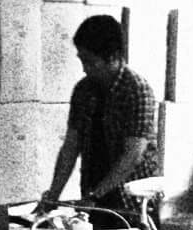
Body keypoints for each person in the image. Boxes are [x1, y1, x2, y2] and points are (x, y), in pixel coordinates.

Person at [38, 13, 161, 216]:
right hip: (92, 193)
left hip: (131, 201)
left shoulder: (137, 90)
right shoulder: (83, 90)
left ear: (112, 57)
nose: (84, 69)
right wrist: (53, 196)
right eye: (82, 60)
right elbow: (70, 147)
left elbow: (133, 154)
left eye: (90, 62)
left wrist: (96, 196)